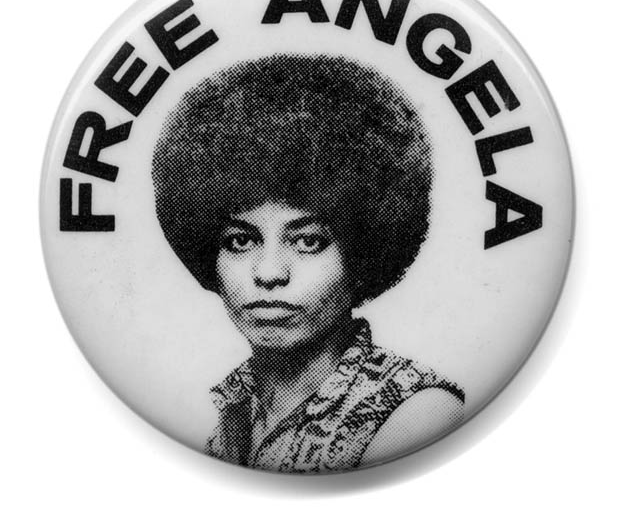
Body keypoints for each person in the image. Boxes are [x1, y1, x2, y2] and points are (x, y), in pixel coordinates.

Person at [152, 54, 464, 473]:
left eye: (307, 241)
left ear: (361, 256)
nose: (269, 273)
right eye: (241, 240)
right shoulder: (233, 413)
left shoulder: (415, 412)